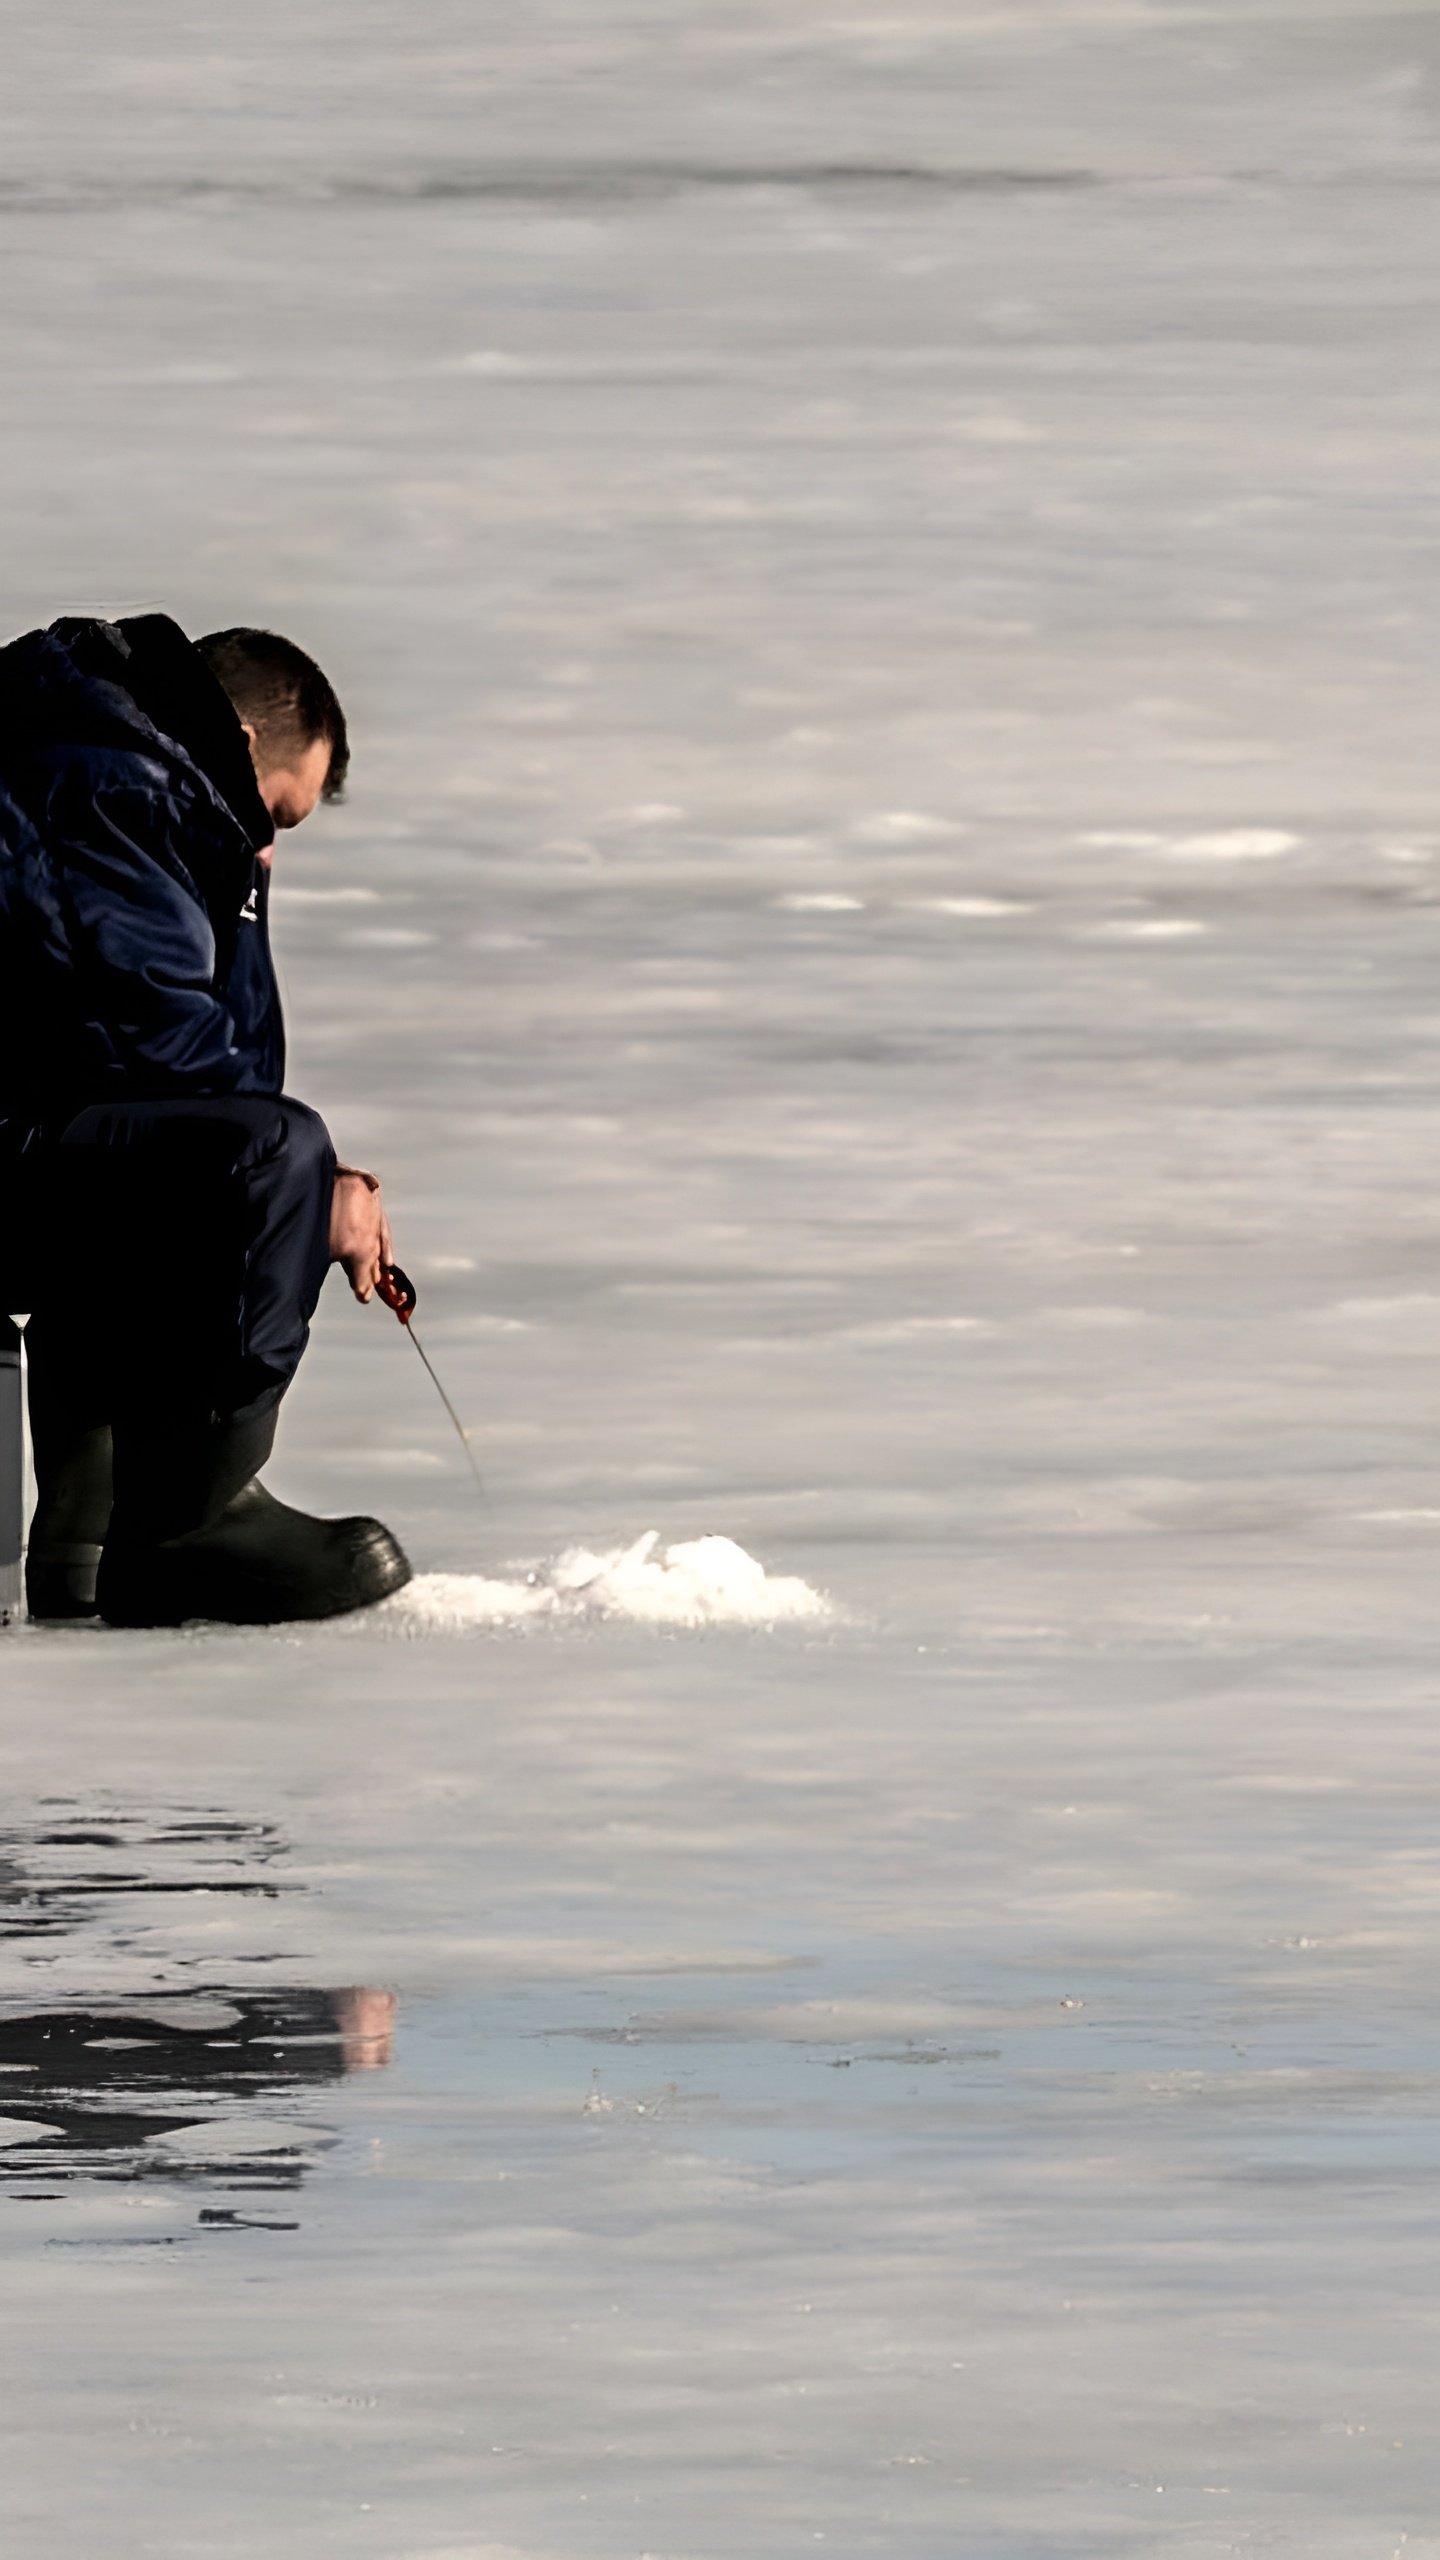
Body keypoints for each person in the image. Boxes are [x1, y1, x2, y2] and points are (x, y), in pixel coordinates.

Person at [0, 610, 412, 1625]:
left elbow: (178, 1079)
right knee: (264, 1161)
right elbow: (153, 1057)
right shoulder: (102, 783)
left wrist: (243, 894)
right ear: (236, 747)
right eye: (275, 812)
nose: (265, 839)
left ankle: (84, 1541)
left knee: (199, 1156)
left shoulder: (92, 764)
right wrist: (315, 1184)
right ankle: (187, 1522)